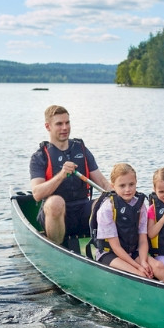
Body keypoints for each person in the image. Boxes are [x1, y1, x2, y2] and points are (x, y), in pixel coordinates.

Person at [29, 105, 112, 245]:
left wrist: (124, 196)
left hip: (83, 209)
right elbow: (37, 194)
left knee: (107, 202)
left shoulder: (81, 149)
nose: (65, 127)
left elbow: (103, 183)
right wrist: (61, 175)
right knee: (56, 202)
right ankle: (56, 248)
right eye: (59, 124)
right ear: (48, 127)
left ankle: (107, 247)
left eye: (67, 123)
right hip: (56, 214)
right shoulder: (39, 157)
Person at [93, 163, 164, 285]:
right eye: (122, 186)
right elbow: (115, 247)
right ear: (113, 186)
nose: (128, 189)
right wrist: (138, 267)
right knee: (140, 275)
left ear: (136, 182)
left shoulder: (140, 205)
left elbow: (142, 239)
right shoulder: (107, 209)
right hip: (110, 253)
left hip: (132, 251)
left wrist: (143, 261)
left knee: (159, 267)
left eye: (131, 184)